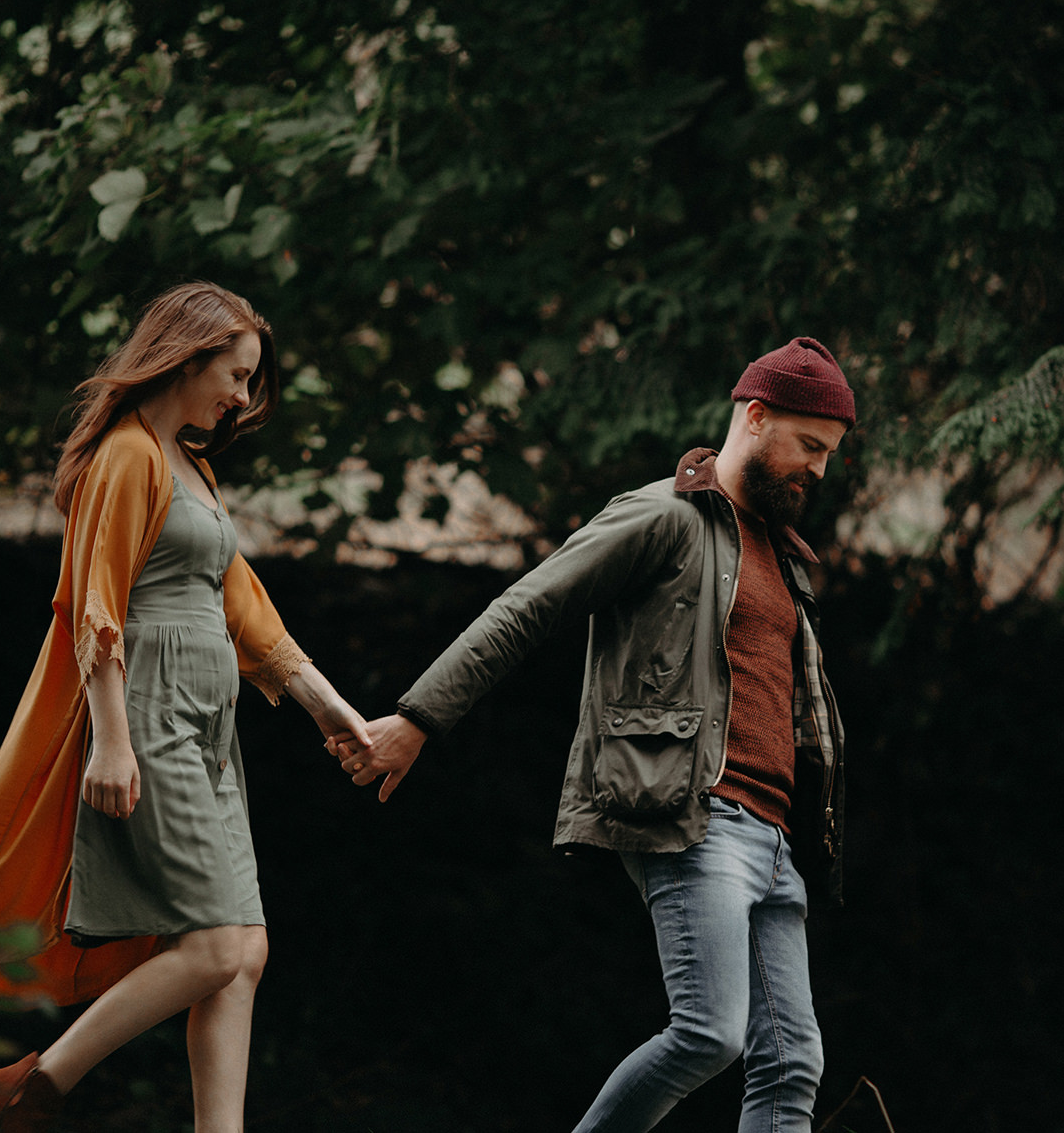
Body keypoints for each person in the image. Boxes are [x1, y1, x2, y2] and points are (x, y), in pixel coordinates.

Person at [337, 337, 854, 1133]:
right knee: (711, 1031)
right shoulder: (663, 517)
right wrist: (417, 718)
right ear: (755, 417)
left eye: (829, 454)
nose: (820, 470)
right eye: (810, 446)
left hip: (777, 840)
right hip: (697, 818)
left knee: (792, 1065)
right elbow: (528, 607)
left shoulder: (786, 557)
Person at [0, 281, 373, 1133]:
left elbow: (247, 610)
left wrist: (330, 710)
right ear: (186, 356)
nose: (240, 396)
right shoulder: (128, 455)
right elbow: (96, 606)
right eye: (234, 374)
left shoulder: (191, 463)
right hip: (149, 715)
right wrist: (111, 743)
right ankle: (27, 1092)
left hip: (208, 727)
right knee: (215, 944)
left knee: (244, 956)